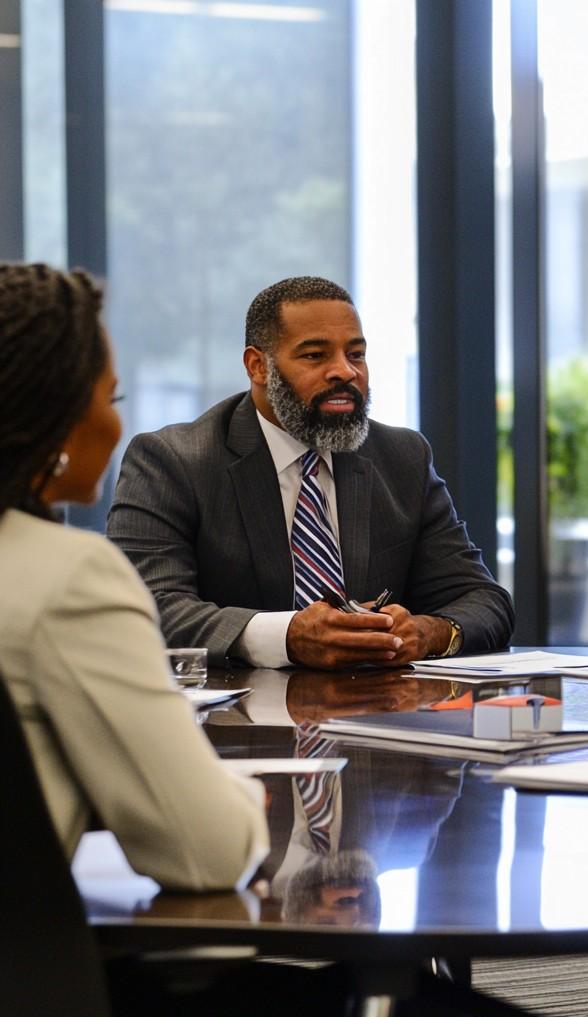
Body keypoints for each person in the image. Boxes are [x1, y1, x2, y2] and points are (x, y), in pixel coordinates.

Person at [0, 262, 267, 892]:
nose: (117, 425)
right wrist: (241, 797)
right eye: (110, 398)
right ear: (57, 415)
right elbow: (208, 854)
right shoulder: (67, 578)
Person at [107, 276, 513, 669]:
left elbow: (482, 599)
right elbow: (147, 605)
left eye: (355, 354)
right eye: (315, 356)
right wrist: (286, 636)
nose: (345, 372)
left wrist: (429, 632)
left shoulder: (402, 457)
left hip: (376, 722)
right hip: (235, 728)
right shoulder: (172, 460)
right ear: (257, 367)